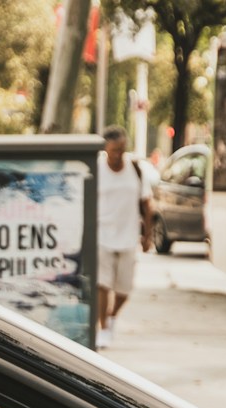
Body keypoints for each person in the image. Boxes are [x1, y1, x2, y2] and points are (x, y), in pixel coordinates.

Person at [95, 125, 154, 349]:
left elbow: (147, 204)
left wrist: (147, 236)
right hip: (102, 234)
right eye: (114, 150)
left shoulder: (136, 169)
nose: (118, 155)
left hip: (128, 236)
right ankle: (103, 327)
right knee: (103, 284)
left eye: (121, 149)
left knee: (124, 289)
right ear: (106, 149)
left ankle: (111, 316)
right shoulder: (98, 169)